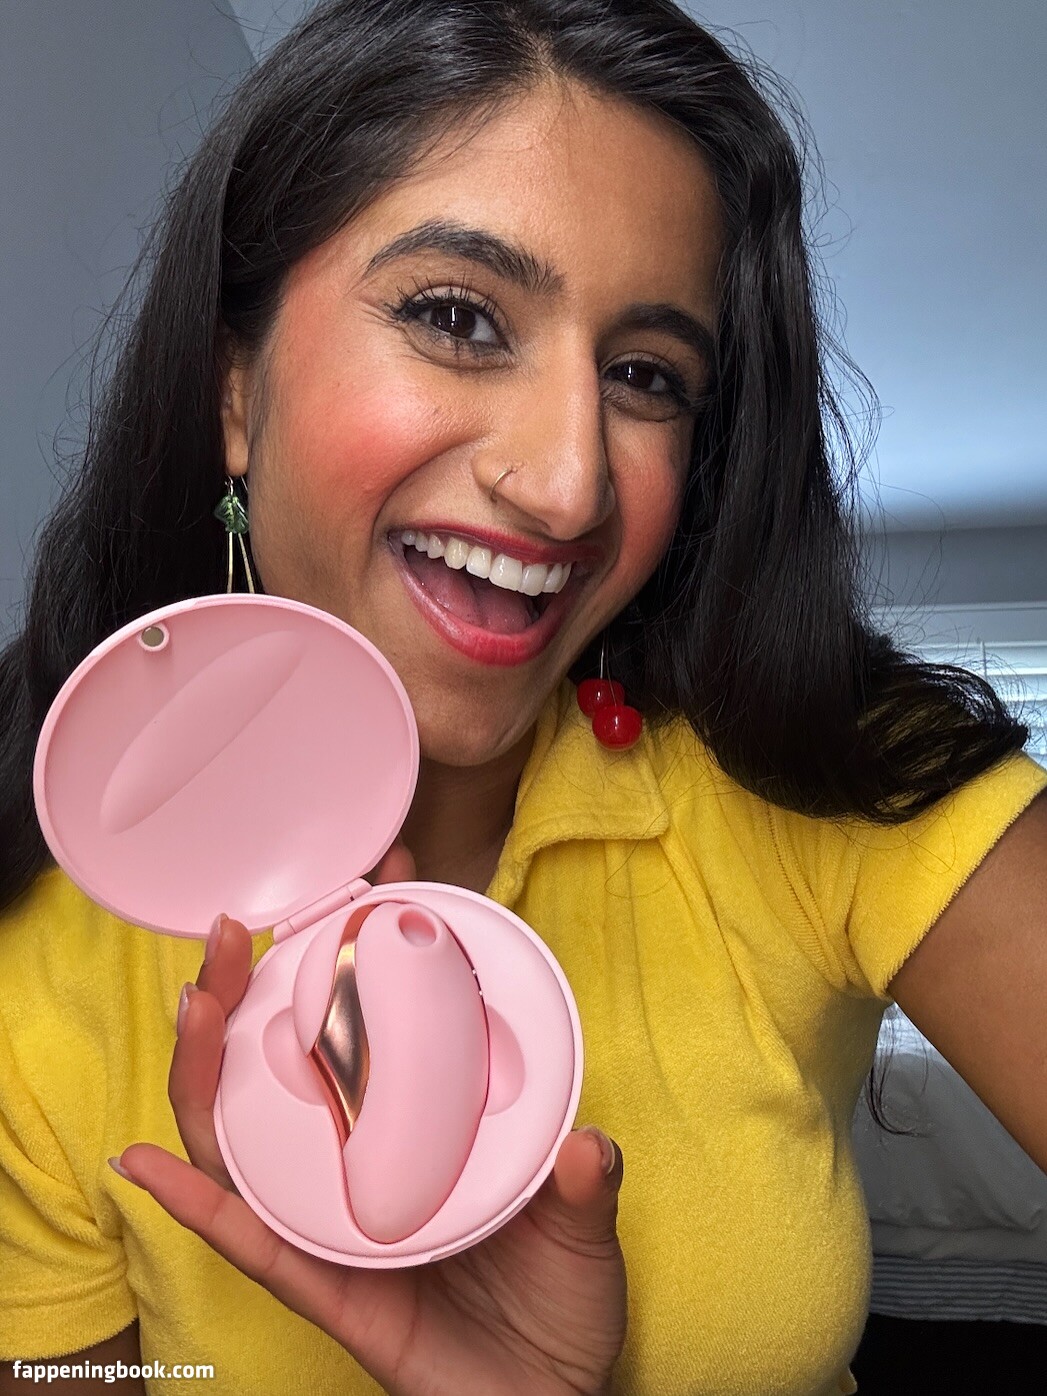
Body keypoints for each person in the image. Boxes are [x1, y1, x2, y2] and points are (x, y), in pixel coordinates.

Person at [1, 1, 1045, 1393]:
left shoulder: (837, 774)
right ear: (234, 391)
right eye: (457, 317)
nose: (569, 485)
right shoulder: (36, 983)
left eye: (645, 377)